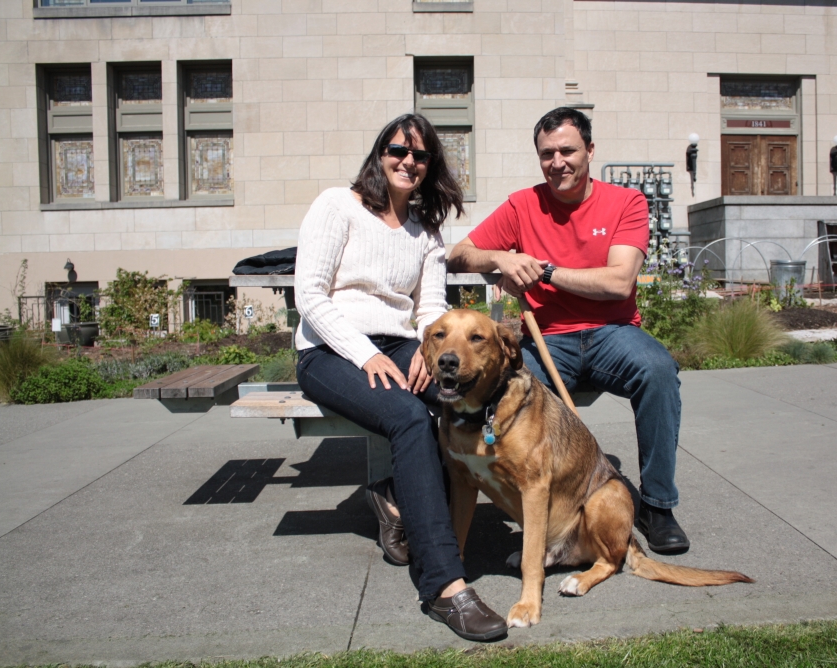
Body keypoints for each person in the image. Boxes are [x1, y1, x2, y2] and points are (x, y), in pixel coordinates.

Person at [293, 114, 507, 642]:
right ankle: (444, 586)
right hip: (330, 350)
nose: (408, 161)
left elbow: (429, 307)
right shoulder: (336, 205)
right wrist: (365, 355)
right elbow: (311, 296)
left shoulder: (426, 232)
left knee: (479, 395)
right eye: (397, 150)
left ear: (431, 164)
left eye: (420, 155)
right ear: (379, 154)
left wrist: (428, 351)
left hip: (401, 347)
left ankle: (398, 493)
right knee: (411, 418)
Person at [448, 107, 689, 555]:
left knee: (657, 370)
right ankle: (512, 493)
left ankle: (658, 506)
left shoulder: (626, 203)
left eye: (567, 150)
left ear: (590, 151)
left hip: (612, 332)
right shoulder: (523, 204)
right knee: (494, 389)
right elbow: (459, 255)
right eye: (547, 154)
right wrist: (499, 258)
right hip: (547, 338)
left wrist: (544, 271)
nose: (557, 162)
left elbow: (619, 281)